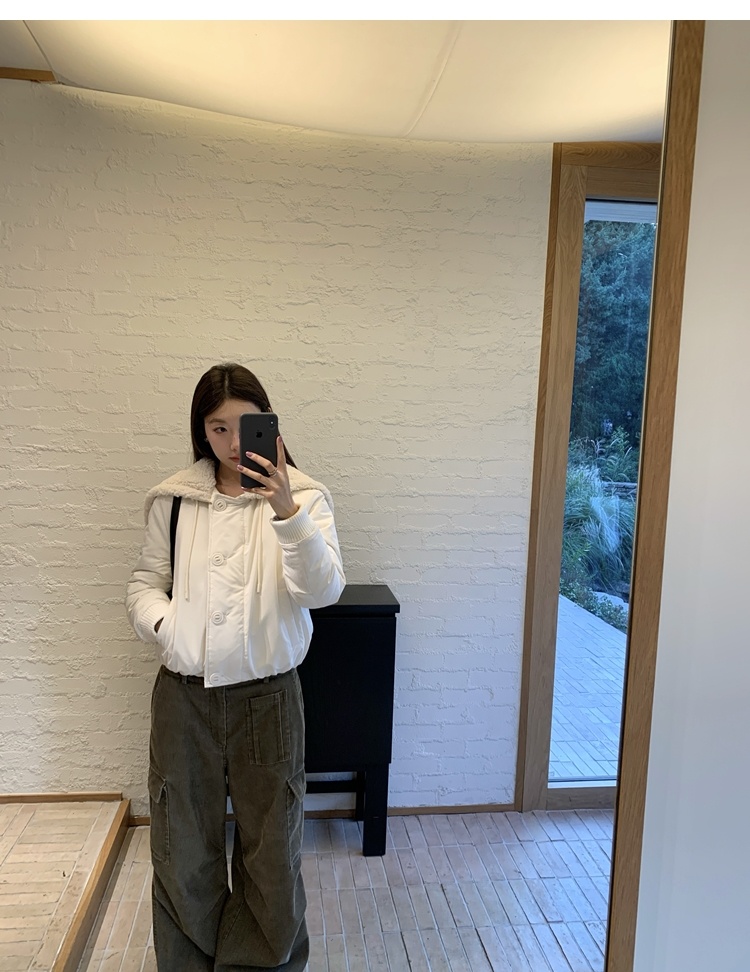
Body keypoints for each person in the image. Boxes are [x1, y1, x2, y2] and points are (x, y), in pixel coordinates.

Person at [125, 363, 345, 971]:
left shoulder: (305, 497)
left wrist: (286, 511)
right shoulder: (174, 500)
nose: (229, 442)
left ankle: (262, 963)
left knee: (272, 851)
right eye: (217, 428)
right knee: (181, 847)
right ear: (201, 430)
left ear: (269, 425)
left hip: (268, 699)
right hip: (184, 699)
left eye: (244, 427)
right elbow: (145, 583)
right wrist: (169, 629)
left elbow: (323, 591)